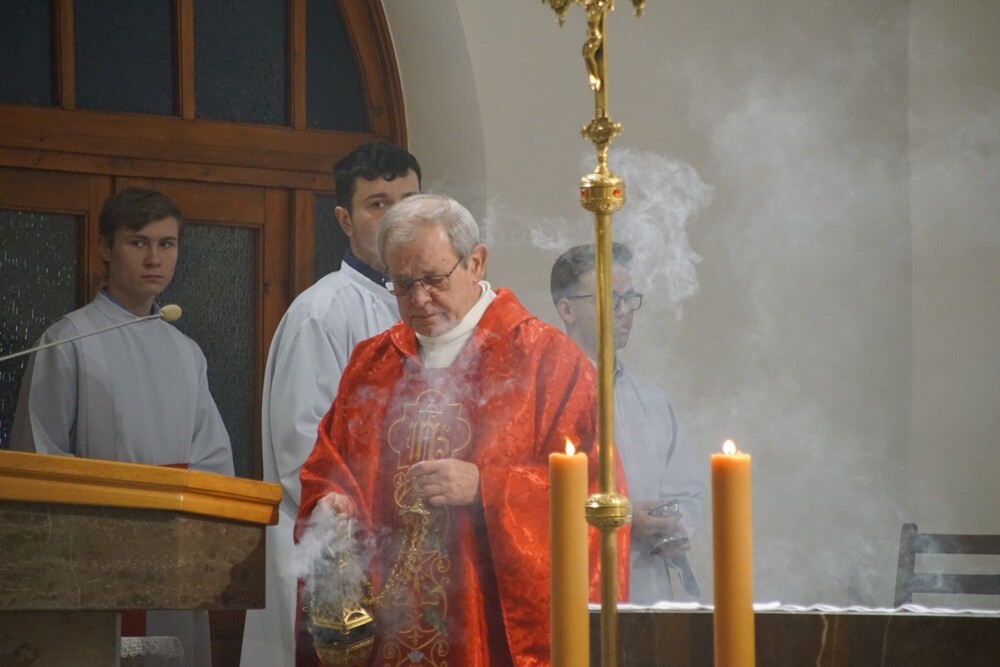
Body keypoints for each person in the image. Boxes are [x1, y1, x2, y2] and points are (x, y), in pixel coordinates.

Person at [296, 194, 625, 665]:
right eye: (402, 284)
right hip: (385, 627)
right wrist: (330, 502)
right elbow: (329, 463)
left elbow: (595, 499)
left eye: (433, 280)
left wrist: (487, 486)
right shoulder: (373, 363)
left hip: (484, 629)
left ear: (476, 261)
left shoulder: (546, 362)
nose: (419, 300)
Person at [12, 187, 234, 665]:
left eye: (167, 244)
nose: (154, 259)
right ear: (106, 249)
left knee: (167, 651)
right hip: (94, 561)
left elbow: (213, 461)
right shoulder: (69, 341)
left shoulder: (185, 352)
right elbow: (39, 460)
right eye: (138, 242)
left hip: (171, 558)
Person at [240, 141, 422, 667]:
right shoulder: (323, 312)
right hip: (337, 557)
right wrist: (385, 525)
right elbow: (304, 451)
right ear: (345, 219)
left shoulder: (424, 306)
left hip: (403, 552)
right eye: (379, 204)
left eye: (409, 201)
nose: (397, 218)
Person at [551, 242, 705, 604]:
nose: (623, 312)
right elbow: (528, 498)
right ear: (567, 309)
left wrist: (674, 524)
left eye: (629, 298)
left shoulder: (653, 400)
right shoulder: (543, 393)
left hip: (646, 589)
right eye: (608, 299)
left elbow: (685, 491)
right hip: (575, 590)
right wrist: (621, 518)